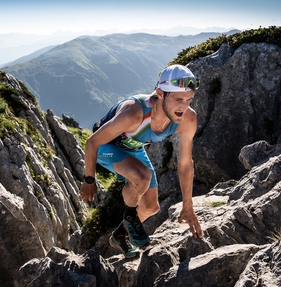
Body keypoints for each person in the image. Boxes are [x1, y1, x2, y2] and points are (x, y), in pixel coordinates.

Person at [79, 64, 203, 258]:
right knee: (142, 178)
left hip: (133, 147)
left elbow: (186, 164)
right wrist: (89, 180)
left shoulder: (188, 119)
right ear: (160, 93)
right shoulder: (134, 113)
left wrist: (188, 206)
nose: (183, 106)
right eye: (178, 99)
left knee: (152, 207)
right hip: (105, 146)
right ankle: (130, 217)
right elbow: (92, 142)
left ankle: (120, 235)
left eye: (188, 100)